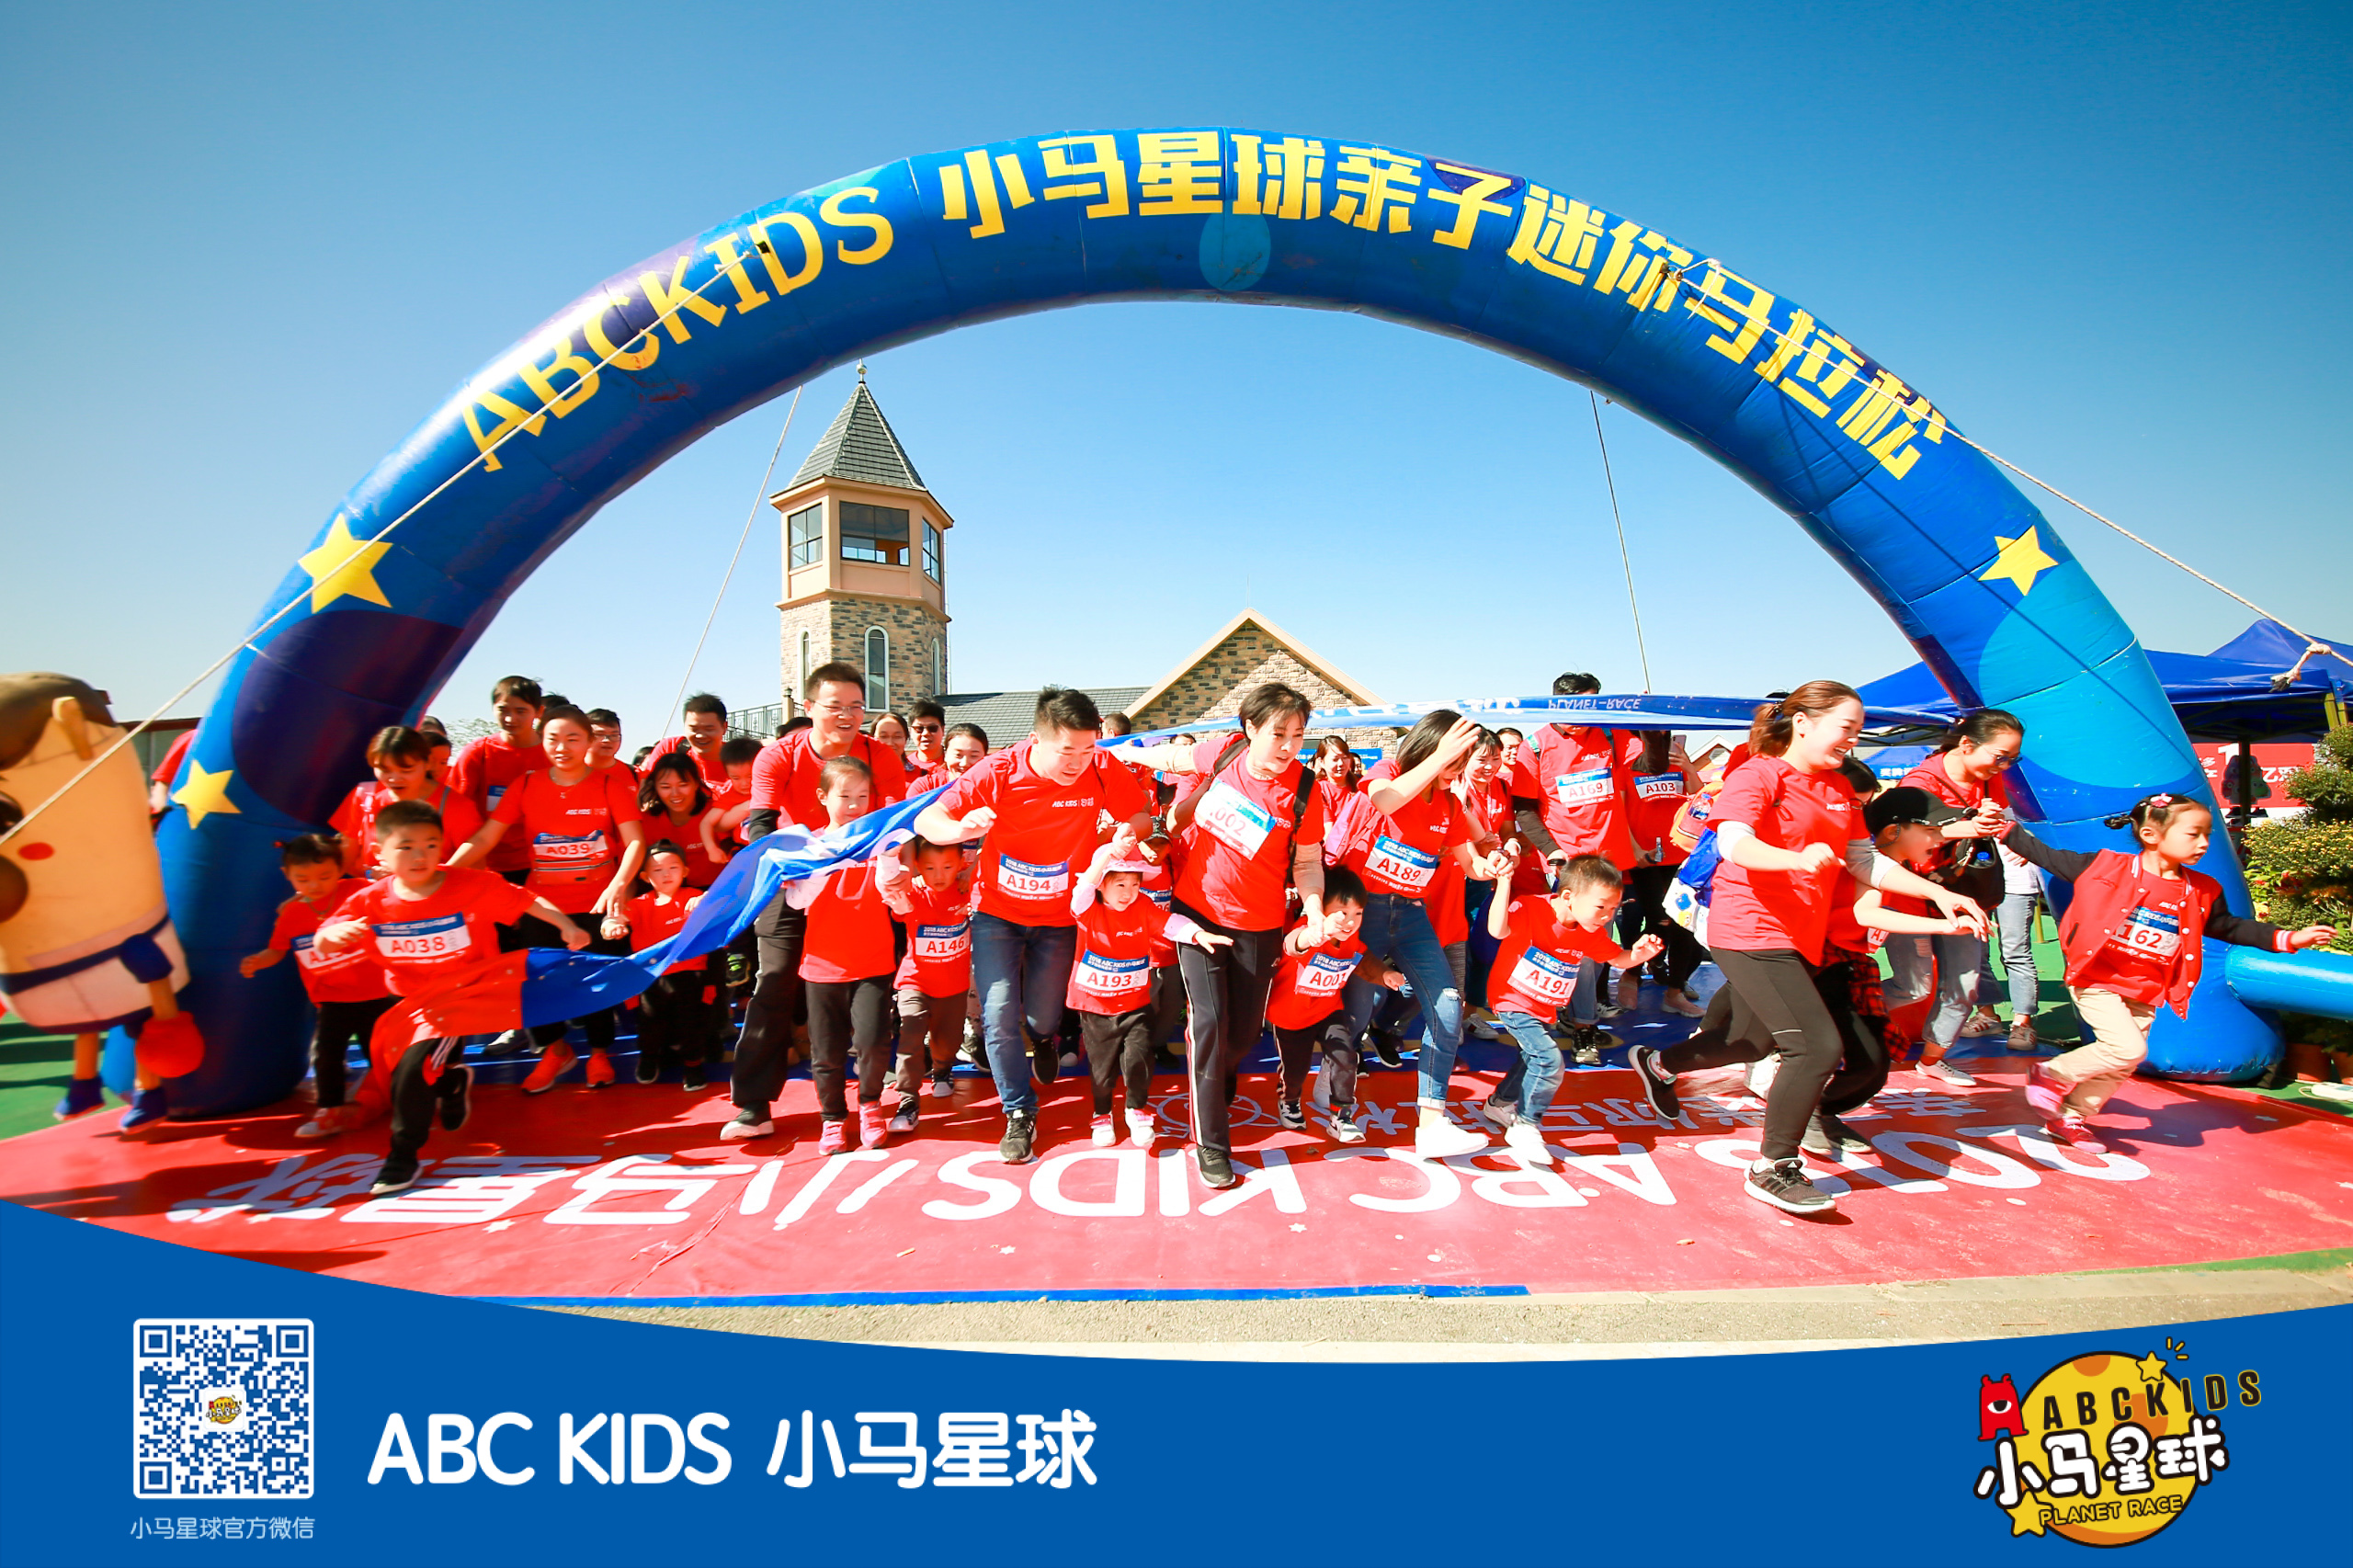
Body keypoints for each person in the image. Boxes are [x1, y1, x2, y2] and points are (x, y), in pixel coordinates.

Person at [1699, 682, 1986, 1215]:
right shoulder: (1758, 774)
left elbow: (1865, 860)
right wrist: (1794, 858)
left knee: (1747, 1042)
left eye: (1858, 730)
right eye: (1845, 728)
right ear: (1803, 723)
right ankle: (1773, 1168)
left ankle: (1661, 1065)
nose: (1852, 740)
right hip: (1750, 928)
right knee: (1815, 1047)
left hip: (1803, 936)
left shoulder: (1838, 787)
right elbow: (1733, 842)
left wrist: (1940, 894)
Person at [1631, 783, 1992, 1158]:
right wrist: (1946, 923)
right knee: (1758, 1043)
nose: (1939, 839)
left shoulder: (1888, 862)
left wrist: (1949, 888)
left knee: (1868, 1064)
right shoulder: (1856, 857)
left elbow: (1882, 888)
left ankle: (1815, 1112)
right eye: (1931, 830)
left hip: (1842, 967)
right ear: (1892, 830)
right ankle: (1667, 1070)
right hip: (1794, 960)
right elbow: (1865, 911)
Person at [913, 688, 1154, 1165]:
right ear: (1035, 740)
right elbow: (929, 817)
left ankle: (1043, 1039)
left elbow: (1143, 816)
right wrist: (960, 830)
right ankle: (1019, 1110)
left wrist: (1128, 833)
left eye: (1087, 749)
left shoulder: (1102, 766)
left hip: (1061, 917)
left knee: (1043, 1016)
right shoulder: (1000, 770)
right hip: (997, 914)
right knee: (998, 1011)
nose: (1078, 763)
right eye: (1067, 752)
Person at [2010, 794, 2335, 1145]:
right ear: (2150, 835)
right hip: (2097, 979)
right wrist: (2006, 830)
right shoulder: (2108, 867)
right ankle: (2051, 1073)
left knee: (2122, 1062)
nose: (2203, 843)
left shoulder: (2202, 890)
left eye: (2208, 834)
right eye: (2193, 834)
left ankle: (2071, 1116)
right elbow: (2050, 857)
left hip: (2146, 987)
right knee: (2128, 1049)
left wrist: (2286, 937)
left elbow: (2228, 926)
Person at [313, 800, 590, 1195]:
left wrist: (566, 926)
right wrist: (329, 937)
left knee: (412, 1070)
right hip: (407, 1002)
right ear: (379, 852)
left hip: (461, 999)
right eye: (406, 847)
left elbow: (525, 900)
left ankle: (402, 1155)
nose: (420, 856)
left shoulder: (470, 884)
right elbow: (326, 935)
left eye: (430, 845)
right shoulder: (369, 900)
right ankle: (450, 1082)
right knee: (405, 1071)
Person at [1131, 685, 1335, 1187]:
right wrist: (1122, 751)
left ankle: (1219, 1073)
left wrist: (1312, 908)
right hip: (1198, 915)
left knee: (1241, 1035)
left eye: (1298, 735)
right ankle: (1212, 1145)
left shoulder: (1306, 791)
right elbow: (1173, 757)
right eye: (1278, 734)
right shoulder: (1226, 754)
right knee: (1210, 1025)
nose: (1288, 746)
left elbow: (1308, 863)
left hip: (1260, 926)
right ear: (1250, 729)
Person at [726, 663, 908, 1142]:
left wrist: (898, 874)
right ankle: (754, 1105)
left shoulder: (879, 754)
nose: (847, 715)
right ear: (809, 708)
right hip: (796, 879)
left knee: (878, 980)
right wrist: (790, 867)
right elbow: (761, 825)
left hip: (862, 878)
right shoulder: (778, 756)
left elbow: (900, 822)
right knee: (774, 981)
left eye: (856, 706)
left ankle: (877, 1091)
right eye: (835, 706)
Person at [1335, 710, 1511, 1156]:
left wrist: (1495, 865)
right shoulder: (1389, 770)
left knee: (1448, 1006)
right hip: (1364, 913)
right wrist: (1439, 759)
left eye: (1462, 761)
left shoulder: (1451, 805)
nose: (1457, 770)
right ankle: (1338, 1105)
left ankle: (1431, 1122)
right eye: (1456, 759)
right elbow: (1384, 801)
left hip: (1413, 916)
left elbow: (1472, 864)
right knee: (1354, 1017)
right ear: (1432, 747)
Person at [447, 703, 646, 1091]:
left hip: (596, 903)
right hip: (543, 906)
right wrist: (445, 872)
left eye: (573, 738)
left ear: (588, 742)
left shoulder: (610, 785)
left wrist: (618, 885)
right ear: (542, 741)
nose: (562, 747)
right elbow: (487, 836)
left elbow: (636, 841)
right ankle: (556, 1051)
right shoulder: (526, 784)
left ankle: (599, 1053)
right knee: (539, 983)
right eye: (553, 738)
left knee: (594, 982)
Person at [1481, 852, 1665, 1169]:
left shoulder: (1590, 931)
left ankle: (1499, 1103)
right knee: (1548, 1059)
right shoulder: (1531, 907)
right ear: (1568, 897)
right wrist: (1504, 883)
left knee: (1531, 1056)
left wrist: (1638, 955)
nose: (1607, 916)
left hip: (1544, 1006)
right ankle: (1526, 1124)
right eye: (1601, 907)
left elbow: (1618, 959)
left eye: (1614, 909)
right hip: (1512, 999)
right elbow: (1497, 930)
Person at [1506, 671, 1645, 1055]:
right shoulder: (1535, 746)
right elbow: (1524, 809)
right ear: (1557, 703)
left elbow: (1648, 765)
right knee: (1579, 947)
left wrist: (1649, 720)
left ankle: (1574, 1012)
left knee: (1598, 947)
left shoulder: (1613, 735)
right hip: (1568, 866)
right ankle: (1583, 1024)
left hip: (1610, 863)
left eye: (1593, 705)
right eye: (1578, 706)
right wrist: (1552, 850)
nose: (1585, 715)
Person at [1884, 710, 2022, 1085]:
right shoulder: (1920, 783)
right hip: (1913, 898)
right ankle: (1834, 1021)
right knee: (1914, 985)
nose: (2004, 766)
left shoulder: (1990, 781)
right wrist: (1967, 825)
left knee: (1964, 986)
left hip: (1962, 898)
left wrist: (1996, 821)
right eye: (2000, 757)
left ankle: (1932, 1060)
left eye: (2013, 759)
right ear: (1966, 744)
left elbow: (2000, 821)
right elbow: (1902, 838)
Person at [1068, 834, 1230, 1149]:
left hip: (1135, 1003)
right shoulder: (1087, 909)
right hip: (1096, 1006)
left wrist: (1197, 934)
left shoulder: (1142, 905)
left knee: (1139, 1058)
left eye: (1134, 884)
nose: (1128, 892)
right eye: (1119, 884)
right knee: (1102, 1069)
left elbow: (1169, 923)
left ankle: (1136, 1108)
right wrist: (1107, 856)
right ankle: (1102, 1114)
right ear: (1101, 886)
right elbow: (1081, 890)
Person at [780, 756, 907, 1153]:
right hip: (822, 965)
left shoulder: (879, 841)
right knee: (826, 1050)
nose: (854, 805)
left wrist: (890, 859)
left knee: (873, 1042)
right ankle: (833, 1117)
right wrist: (824, 862)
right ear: (823, 796)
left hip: (872, 961)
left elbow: (894, 897)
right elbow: (797, 901)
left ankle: (870, 1105)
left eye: (863, 796)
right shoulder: (809, 844)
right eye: (845, 796)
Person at [237, 834, 392, 1139]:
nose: (315, 885)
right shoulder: (292, 914)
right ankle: (329, 1109)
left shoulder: (358, 891)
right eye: (303, 879)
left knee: (381, 1054)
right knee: (326, 1055)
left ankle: (397, 1096)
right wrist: (258, 961)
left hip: (377, 994)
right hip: (332, 999)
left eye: (324, 876)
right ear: (287, 875)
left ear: (340, 868)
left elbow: (393, 894)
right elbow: (277, 949)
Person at [1264, 865, 1392, 1144]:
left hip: (1328, 1010)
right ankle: (1289, 1100)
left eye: (1358, 914)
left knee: (1346, 1056)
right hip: (1290, 1017)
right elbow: (1293, 944)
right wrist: (1315, 934)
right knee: (1295, 1071)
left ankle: (1341, 1116)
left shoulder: (1351, 939)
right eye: (1342, 913)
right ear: (1319, 910)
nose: (1350, 922)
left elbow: (1363, 960)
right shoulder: (1306, 929)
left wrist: (1385, 975)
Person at [611, 841, 714, 1088]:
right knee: (650, 1022)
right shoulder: (638, 904)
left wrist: (706, 900)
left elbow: (721, 901)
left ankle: (693, 1066)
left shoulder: (694, 897)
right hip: (650, 976)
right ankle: (648, 1058)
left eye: (673, 867)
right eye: (657, 870)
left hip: (690, 973)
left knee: (691, 1023)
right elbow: (616, 919)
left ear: (685, 871)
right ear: (645, 877)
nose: (666, 874)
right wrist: (611, 926)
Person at [1620, 731, 1707, 1017]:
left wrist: (1689, 767)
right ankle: (1632, 973)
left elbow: (1700, 799)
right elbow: (1619, 810)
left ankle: (1674, 991)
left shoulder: (1677, 758)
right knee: (1660, 920)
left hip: (1680, 855)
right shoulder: (1627, 761)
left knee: (1684, 923)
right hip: (1645, 857)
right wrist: (1634, 850)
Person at [890, 836, 973, 1116]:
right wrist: (899, 907)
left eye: (947, 867)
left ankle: (942, 1070)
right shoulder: (912, 891)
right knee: (911, 1032)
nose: (939, 876)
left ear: (961, 864)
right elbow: (897, 906)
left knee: (948, 1042)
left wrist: (971, 876)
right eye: (929, 868)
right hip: (915, 982)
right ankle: (907, 1099)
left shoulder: (967, 889)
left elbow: (988, 854)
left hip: (954, 986)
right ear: (917, 865)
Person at [329, 726, 483, 877]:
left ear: (427, 763)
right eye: (385, 770)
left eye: (406, 770)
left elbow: (476, 867)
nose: (394, 778)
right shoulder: (365, 797)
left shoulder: (456, 806)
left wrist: (415, 876)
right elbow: (347, 855)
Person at [446, 676, 547, 881]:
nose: (510, 718)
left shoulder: (553, 754)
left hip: (540, 864)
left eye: (521, 711)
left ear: (539, 712)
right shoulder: (478, 752)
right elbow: (454, 809)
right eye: (503, 710)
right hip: (485, 863)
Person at [638, 753, 725, 889]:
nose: (675, 794)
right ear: (655, 787)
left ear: (696, 784)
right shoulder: (647, 820)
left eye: (683, 785)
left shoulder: (716, 812)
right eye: (665, 787)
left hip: (717, 892)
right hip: (668, 894)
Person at [652, 693, 733, 798]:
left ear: (724, 727)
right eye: (694, 729)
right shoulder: (670, 748)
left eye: (709, 729)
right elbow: (646, 792)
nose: (700, 736)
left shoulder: (744, 760)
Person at [700, 737, 765, 860]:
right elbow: (706, 822)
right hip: (744, 850)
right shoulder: (730, 794)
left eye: (750, 776)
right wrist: (712, 849)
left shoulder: (771, 786)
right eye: (736, 778)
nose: (744, 783)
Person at [1309, 735, 1364, 847]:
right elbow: (1328, 828)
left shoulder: (1361, 785)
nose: (1341, 764)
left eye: (1345, 758)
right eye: (1335, 759)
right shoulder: (1317, 788)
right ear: (1321, 762)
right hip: (1333, 847)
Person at [904, 699, 950, 790]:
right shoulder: (903, 767)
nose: (926, 733)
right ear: (910, 731)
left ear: (943, 730)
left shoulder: (956, 764)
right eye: (919, 729)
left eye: (932, 728)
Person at [584, 709, 631, 780]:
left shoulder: (634, 774)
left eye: (614, 735)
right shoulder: (570, 772)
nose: (607, 740)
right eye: (600, 734)